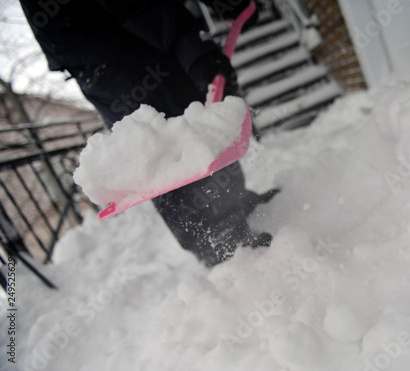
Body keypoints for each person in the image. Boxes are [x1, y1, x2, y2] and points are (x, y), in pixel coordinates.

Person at [19, 0, 277, 266]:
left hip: (130, 32)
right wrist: (195, 49)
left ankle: (235, 204)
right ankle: (217, 238)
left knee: (193, 116)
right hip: (101, 50)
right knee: (158, 146)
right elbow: (140, 6)